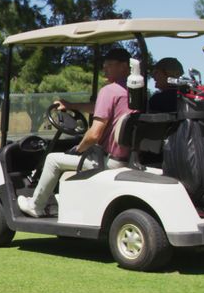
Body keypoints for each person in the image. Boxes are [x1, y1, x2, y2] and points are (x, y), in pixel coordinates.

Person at [17, 47, 133, 218]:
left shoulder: (109, 90)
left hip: (108, 161)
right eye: (104, 65)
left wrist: (79, 149)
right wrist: (72, 106)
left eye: (109, 65)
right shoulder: (132, 92)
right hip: (127, 157)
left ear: (124, 66)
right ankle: (58, 204)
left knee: (52, 160)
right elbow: (100, 108)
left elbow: (94, 134)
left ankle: (36, 205)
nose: (105, 69)